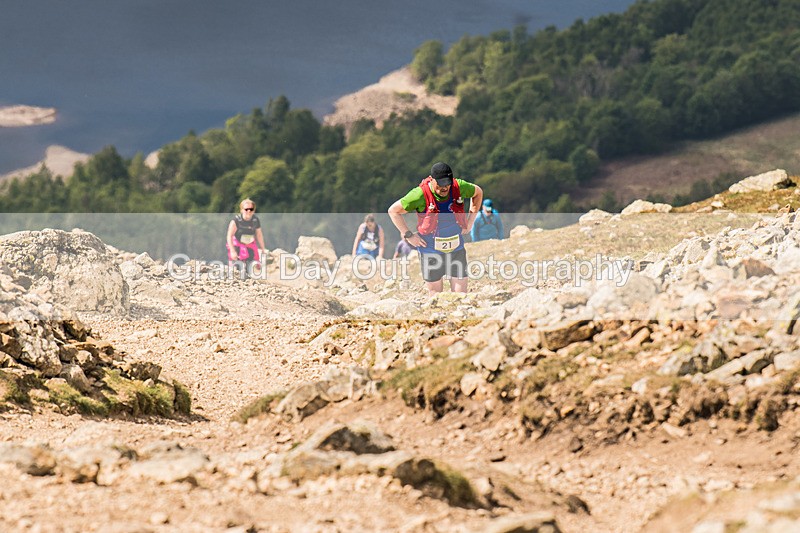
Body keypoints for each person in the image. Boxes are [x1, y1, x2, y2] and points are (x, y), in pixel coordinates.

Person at [388, 162, 483, 294]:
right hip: (430, 251)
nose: (444, 187)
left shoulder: (458, 186)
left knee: (461, 296)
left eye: (447, 183)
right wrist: (408, 235)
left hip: (456, 249)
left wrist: (470, 221)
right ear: (432, 180)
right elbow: (393, 211)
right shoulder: (419, 195)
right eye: (440, 183)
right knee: (436, 298)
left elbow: (478, 192)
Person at [226, 198, 267, 267]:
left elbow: (259, 235)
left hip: (250, 244)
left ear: (253, 211)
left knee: (251, 265)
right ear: (241, 210)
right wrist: (232, 251)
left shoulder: (255, 220)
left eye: (251, 209)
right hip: (237, 244)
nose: (249, 211)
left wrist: (263, 249)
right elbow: (229, 236)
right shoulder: (236, 221)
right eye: (246, 209)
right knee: (237, 265)